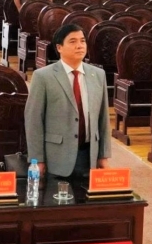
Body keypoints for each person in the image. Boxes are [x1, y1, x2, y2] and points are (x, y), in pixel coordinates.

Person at [25, 24, 111, 180]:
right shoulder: (43, 76)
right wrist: (37, 159)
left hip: (89, 155)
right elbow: (33, 120)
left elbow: (103, 119)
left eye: (82, 41)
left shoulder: (98, 75)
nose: (79, 45)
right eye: (72, 41)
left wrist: (103, 155)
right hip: (56, 157)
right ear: (59, 47)